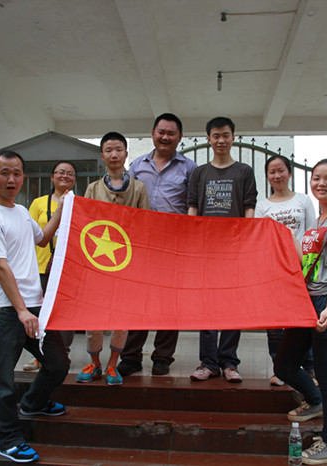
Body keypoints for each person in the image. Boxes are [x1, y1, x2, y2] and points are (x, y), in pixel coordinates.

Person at [0, 150, 70, 463]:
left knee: (58, 364)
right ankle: (9, 440)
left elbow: (42, 238)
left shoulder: (21, 212)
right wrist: (21, 310)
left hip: (34, 306)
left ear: (23, 177)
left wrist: (62, 209)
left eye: (17, 173)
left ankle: (33, 403)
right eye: (4, 173)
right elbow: (0, 267)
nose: (11, 179)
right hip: (6, 310)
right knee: (2, 379)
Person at [273, 158, 327, 464]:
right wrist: (286, 237)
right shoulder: (319, 220)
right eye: (316, 178)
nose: (321, 184)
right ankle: (315, 401)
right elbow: (308, 263)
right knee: (284, 364)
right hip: (307, 302)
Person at [117, 113, 197, 377]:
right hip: (140, 245)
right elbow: (125, 199)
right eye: (161, 132)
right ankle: (130, 357)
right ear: (152, 133)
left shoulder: (190, 168)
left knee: (169, 302)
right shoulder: (137, 165)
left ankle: (163, 357)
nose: (165, 137)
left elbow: (193, 206)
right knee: (137, 301)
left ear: (180, 137)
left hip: (173, 245)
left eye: (171, 133)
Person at [76, 132, 150, 386]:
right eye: (109, 150)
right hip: (97, 263)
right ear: (102, 156)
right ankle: (94, 363)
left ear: (126, 154)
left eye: (119, 149)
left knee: (122, 317)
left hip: (127, 263)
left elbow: (145, 224)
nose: (114, 154)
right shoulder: (92, 189)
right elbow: (85, 225)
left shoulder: (138, 188)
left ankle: (112, 365)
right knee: (93, 317)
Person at [187, 116, 257, 383]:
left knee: (232, 305)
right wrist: (193, 241)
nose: (221, 140)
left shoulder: (244, 171)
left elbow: (249, 206)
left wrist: (246, 241)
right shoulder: (200, 173)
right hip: (206, 249)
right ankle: (208, 363)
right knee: (206, 305)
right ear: (209, 139)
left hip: (234, 249)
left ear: (233, 138)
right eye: (216, 135)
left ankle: (229, 362)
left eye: (225, 135)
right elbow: (193, 206)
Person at [254, 155, 316, 386]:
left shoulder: (303, 200)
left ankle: (308, 368)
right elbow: (260, 238)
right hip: (275, 269)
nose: (277, 176)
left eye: (281, 170)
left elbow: (311, 233)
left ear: (289, 172)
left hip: (300, 268)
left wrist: (309, 266)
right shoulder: (263, 206)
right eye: (272, 172)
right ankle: (279, 368)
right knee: (275, 324)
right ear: (267, 176)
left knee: (303, 320)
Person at [23, 161, 78, 371]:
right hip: (42, 265)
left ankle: (62, 354)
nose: (65, 176)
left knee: (65, 314)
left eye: (70, 173)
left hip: (68, 268)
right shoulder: (38, 203)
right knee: (40, 312)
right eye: (60, 172)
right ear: (52, 177)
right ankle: (39, 355)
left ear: (75, 179)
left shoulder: (79, 203)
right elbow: (30, 233)